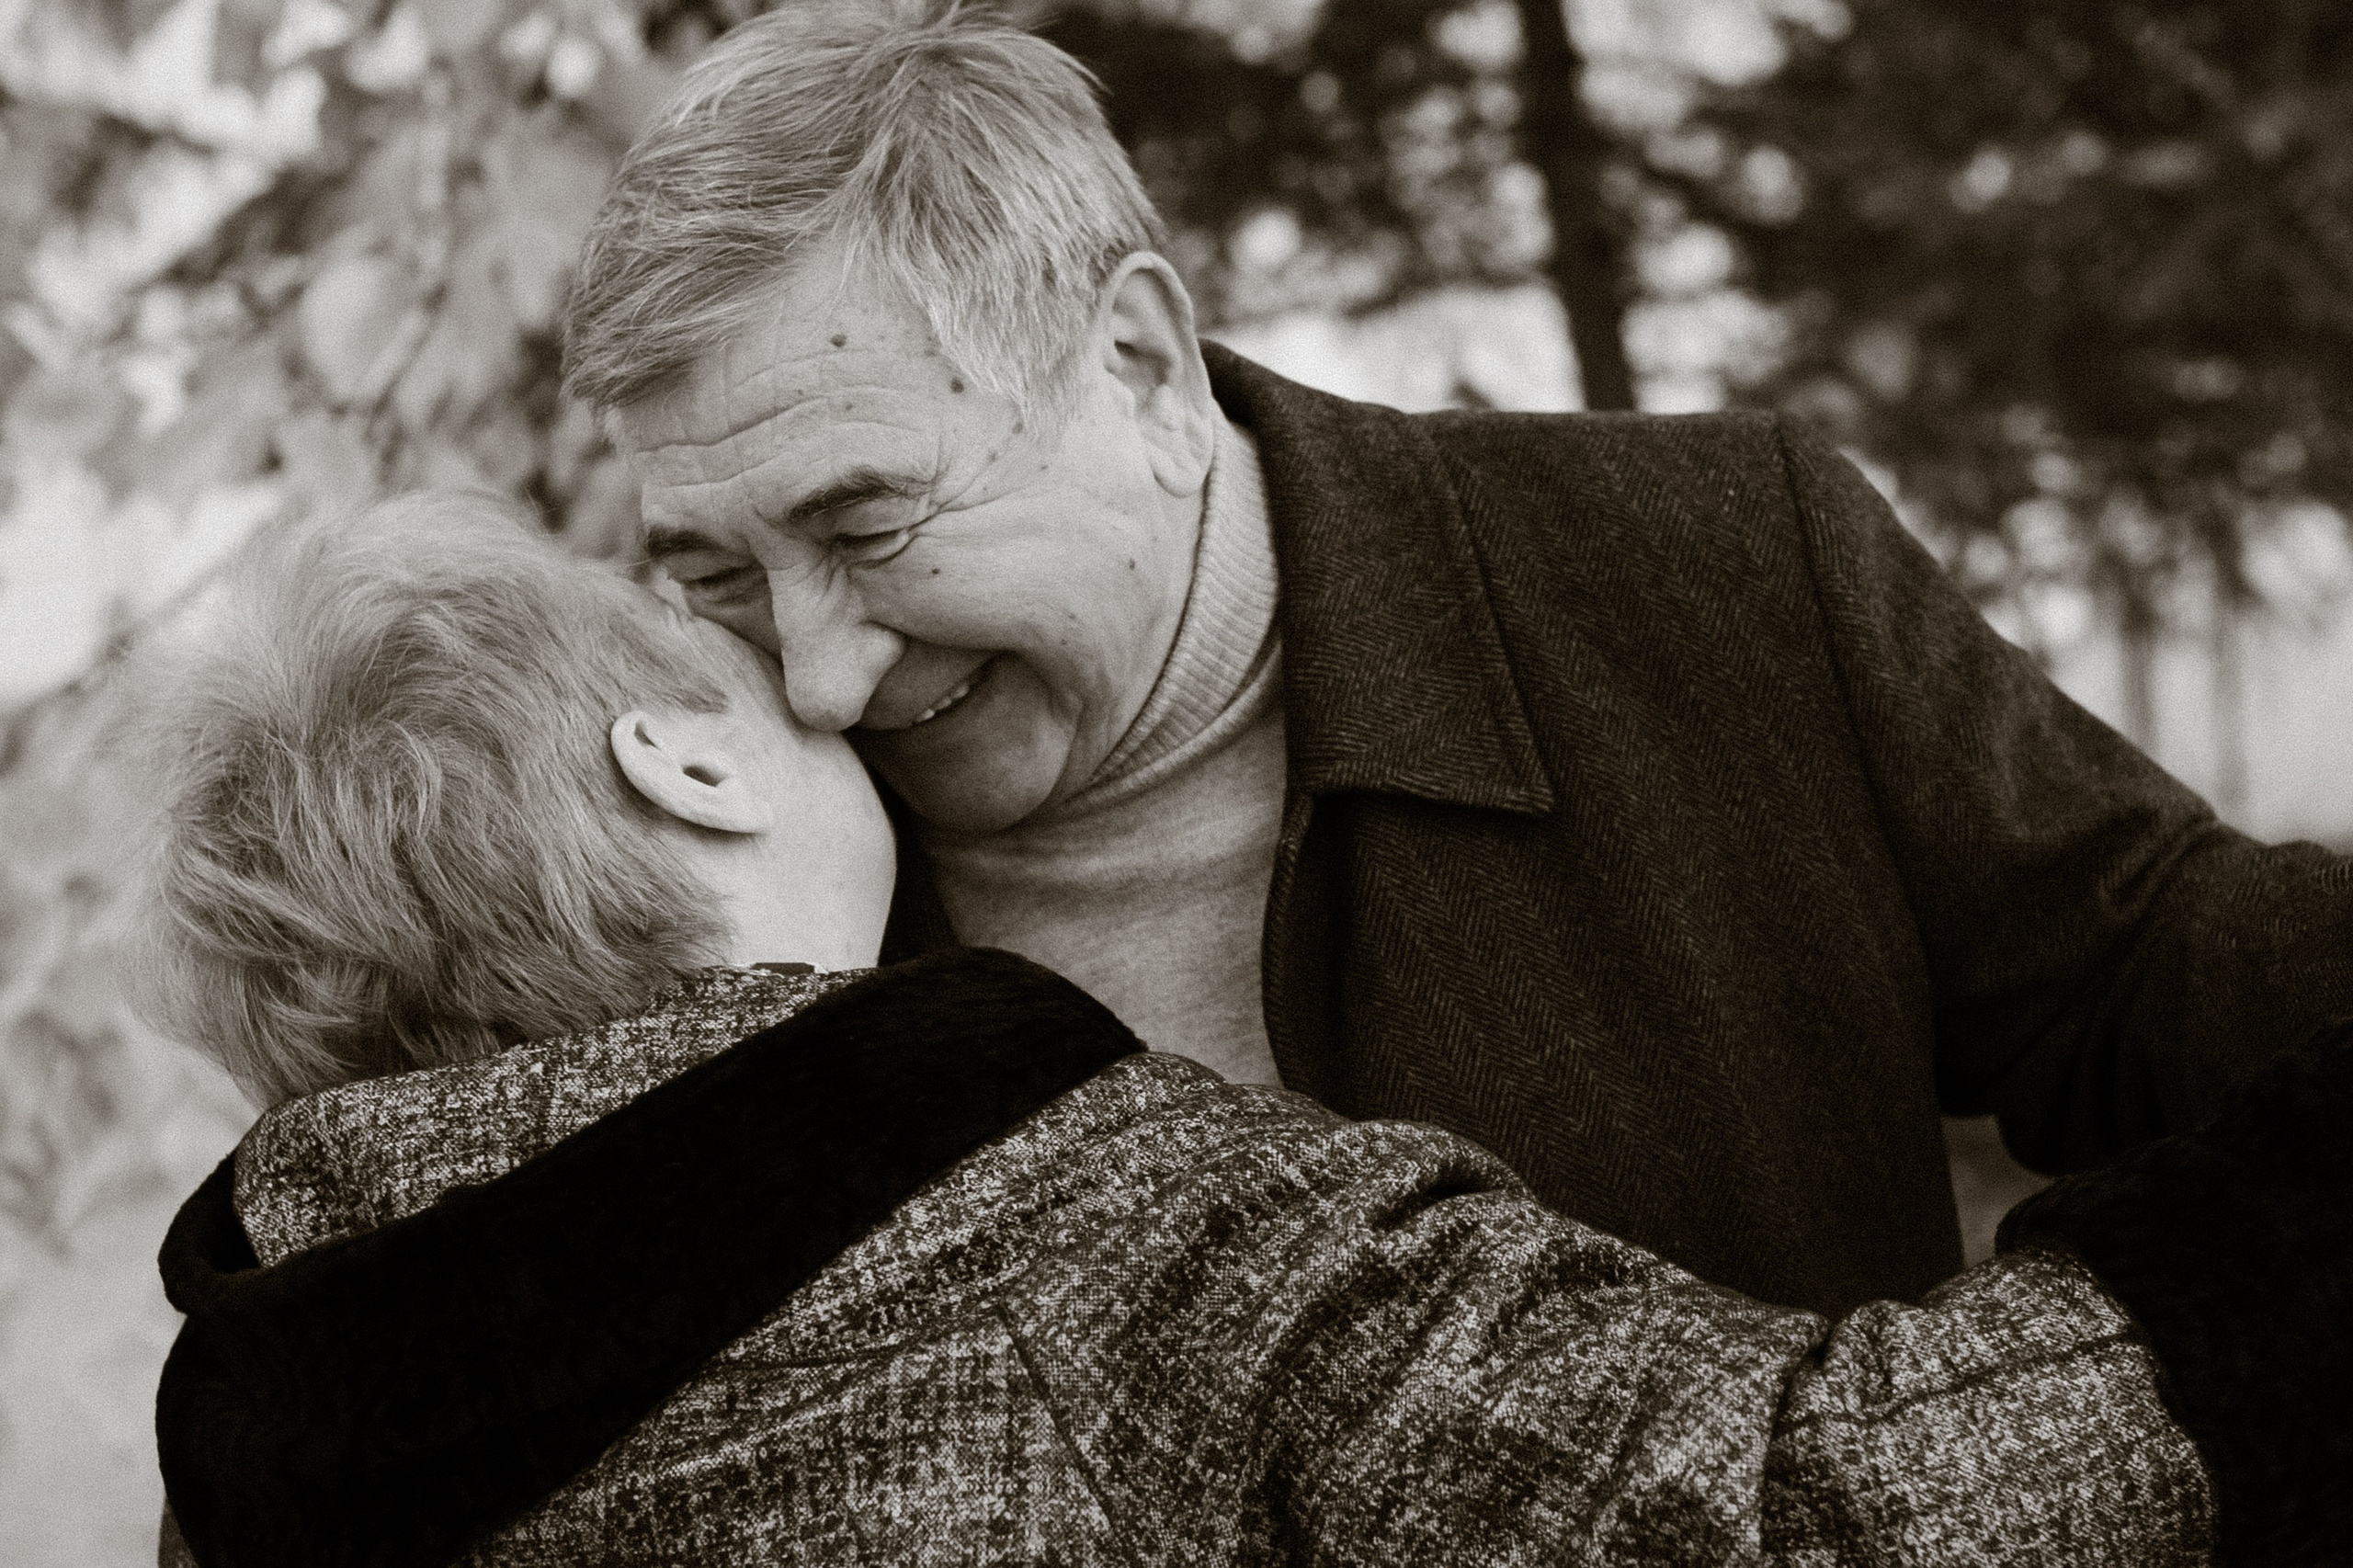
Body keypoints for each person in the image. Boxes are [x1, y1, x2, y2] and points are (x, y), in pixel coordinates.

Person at [563, 0, 2353, 1324]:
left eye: (867, 526)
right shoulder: (682, 840)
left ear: (1136, 365)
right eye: (716, 570)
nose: (804, 678)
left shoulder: (1714, 568)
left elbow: (2167, 977)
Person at [146, 495, 2346, 1567]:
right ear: (683, 764)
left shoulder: (256, 1443)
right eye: (716, 638)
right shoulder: (1061, 1215)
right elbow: (1817, 1507)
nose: (820, 675)